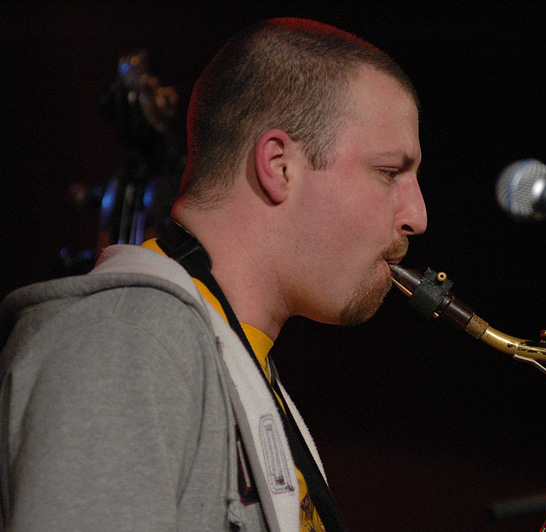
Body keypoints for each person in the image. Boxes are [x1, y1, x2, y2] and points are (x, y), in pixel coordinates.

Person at [0, 17, 426, 531]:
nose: (417, 215)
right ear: (278, 165)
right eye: (389, 172)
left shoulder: (218, 358)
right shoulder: (126, 341)